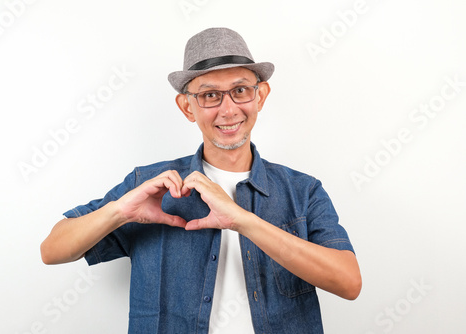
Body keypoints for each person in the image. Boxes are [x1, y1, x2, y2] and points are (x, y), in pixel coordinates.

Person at [41, 27, 361, 333]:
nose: (228, 109)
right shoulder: (148, 187)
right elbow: (52, 250)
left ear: (260, 96)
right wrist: (119, 211)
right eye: (210, 95)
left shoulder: (303, 191)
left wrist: (243, 221)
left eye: (240, 90)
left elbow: (349, 283)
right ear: (187, 107)